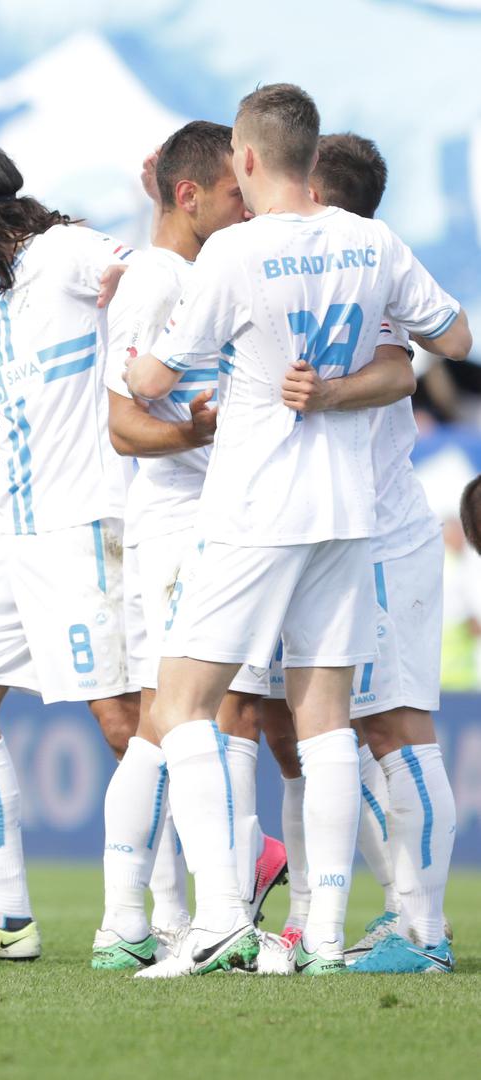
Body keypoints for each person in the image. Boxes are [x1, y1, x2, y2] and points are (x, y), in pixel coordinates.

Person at [125, 85, 470, 978]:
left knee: (181, 704)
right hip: (347, 511)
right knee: (324, 727)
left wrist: (139, 358)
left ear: (244, 158)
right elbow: (454, 338)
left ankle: (222, 918)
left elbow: (155, 377)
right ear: (312, 158)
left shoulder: (235, 250)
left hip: (253, 509)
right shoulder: (374, 242)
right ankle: (320, 937)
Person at [0, 142, 136, 963]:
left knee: (124, 723)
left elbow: (151, 274)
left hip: (83, 522)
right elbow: (22, 416)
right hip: (18, 527)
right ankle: (9, 918)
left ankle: (214, 889)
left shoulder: (67, 251)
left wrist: (139, 298)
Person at [99, 121, 288, 969]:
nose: (248, 209)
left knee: (166, 722)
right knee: (214, 714)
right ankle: (219, 914)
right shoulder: (156, 282)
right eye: (235, 195)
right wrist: (197, 435)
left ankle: (136, 922)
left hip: (204, 522)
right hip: (180, 523)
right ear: (190, 196)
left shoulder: (200, 270)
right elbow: (124, 427)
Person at [270, 132, 458, 974]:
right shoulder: (314, 272)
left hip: (379, 534)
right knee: (329, 729)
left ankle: (425, 933)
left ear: (316, 190)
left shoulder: (363, 265)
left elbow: (422, 357)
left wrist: (330, 392)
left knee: (393, 724)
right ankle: (380, 914)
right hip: (331, 532)